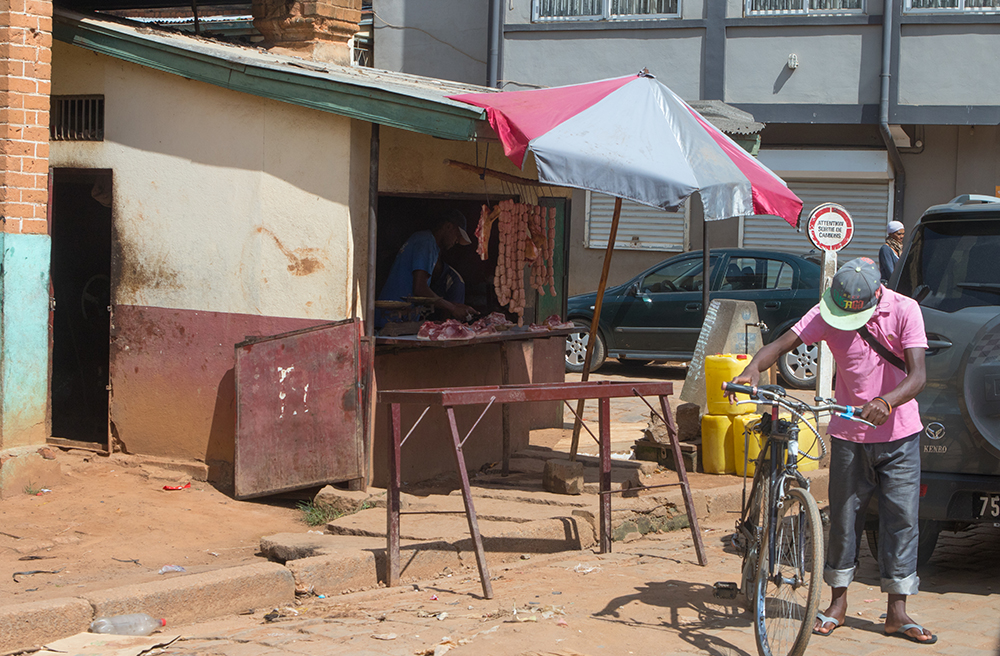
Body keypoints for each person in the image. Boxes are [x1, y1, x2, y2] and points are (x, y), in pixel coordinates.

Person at [727, 257, 936, 645]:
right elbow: (782, 342)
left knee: (902, 522)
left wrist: (887, 402)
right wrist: (753, 367)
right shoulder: (829, 311)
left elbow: (919, 375)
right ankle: (837, 604)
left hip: (900, 437)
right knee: (842, 521)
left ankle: (897, 612)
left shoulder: (905, 310)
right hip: (847, 436)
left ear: (877, 296)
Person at [377, 209, 477, 327]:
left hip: (402, 318)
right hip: (391, 319)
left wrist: (457, 306)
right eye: (457, 236)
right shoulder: (426, 242)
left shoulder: (429, 244)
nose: (456, 241)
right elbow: (420, 288)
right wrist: (453, 307)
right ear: (448, 226)